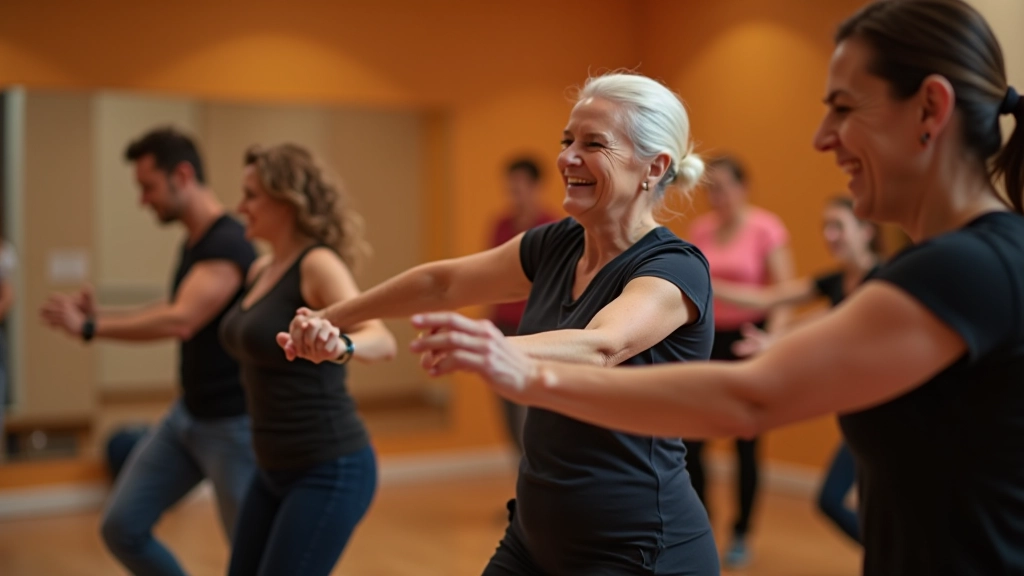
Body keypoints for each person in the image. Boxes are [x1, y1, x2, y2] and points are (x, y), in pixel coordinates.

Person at [407, 1, 1024, 574]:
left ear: (930, 109)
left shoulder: (968, 268)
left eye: (843, 106)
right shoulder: (949, 268)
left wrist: (527, 370)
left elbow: (748, 400)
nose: (821, 136)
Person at [279, 72, 720, 575]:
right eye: (566, 140)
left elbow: (603, 346)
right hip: (535, 538)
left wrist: (495, 347)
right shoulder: (555, 244)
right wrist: (332, 318)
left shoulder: (675, 267)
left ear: (654, 166)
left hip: (638, 549)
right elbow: (442, 284)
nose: (567, 157)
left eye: (593, 144)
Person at [40, 128, 257, 576]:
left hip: (233, 427)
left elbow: (181, 319)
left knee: (254, 560)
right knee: (122, 526)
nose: (143, 200)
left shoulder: (229, 245)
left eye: (147, 187)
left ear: (182, 175)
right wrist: (105, 315)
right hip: (188, 417)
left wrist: (91, 327)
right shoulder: (195, 243)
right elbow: (176, 307)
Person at [219, 144, 396, 576]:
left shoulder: (317, 263)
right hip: (271, 467)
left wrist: (343, 347)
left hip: (329, 468)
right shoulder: (260, 270)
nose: (240, 206)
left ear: (287, 200)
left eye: (251, 195)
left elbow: (382, 338)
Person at [714, 195, 883, 544]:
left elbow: (833, 323)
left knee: (856, 505)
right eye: (826, 226)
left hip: (893, 415)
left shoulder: (885, 281)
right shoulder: (836, 282)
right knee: (840, 503)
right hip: (859, 415)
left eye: (838, 225)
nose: (829, 235)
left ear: (866, 231)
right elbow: (769, 299)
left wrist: (777, 342)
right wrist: (705, 282)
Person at [684, 155, 795, 567]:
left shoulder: (766, 227)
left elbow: (784, 292)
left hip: (749, 340)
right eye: (710, 188)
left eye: (725, 186)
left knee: (746, 442)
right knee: (691, 441)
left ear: (743, 188)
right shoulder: (701, 230)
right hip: (708, 339)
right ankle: (703, 522)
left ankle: (742, 532)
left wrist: (771, 338)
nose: (717, 195)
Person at [487, 157, 558, 455]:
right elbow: (489, 275)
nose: (513, 194)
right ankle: (520, 486)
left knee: (530, 414)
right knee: (507, 411)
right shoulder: (501, 226)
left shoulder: (553, 227)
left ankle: (535, 487)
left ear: (535, 186)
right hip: (503, 327)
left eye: (519, 187)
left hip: (537, 328)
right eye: (510, 188)